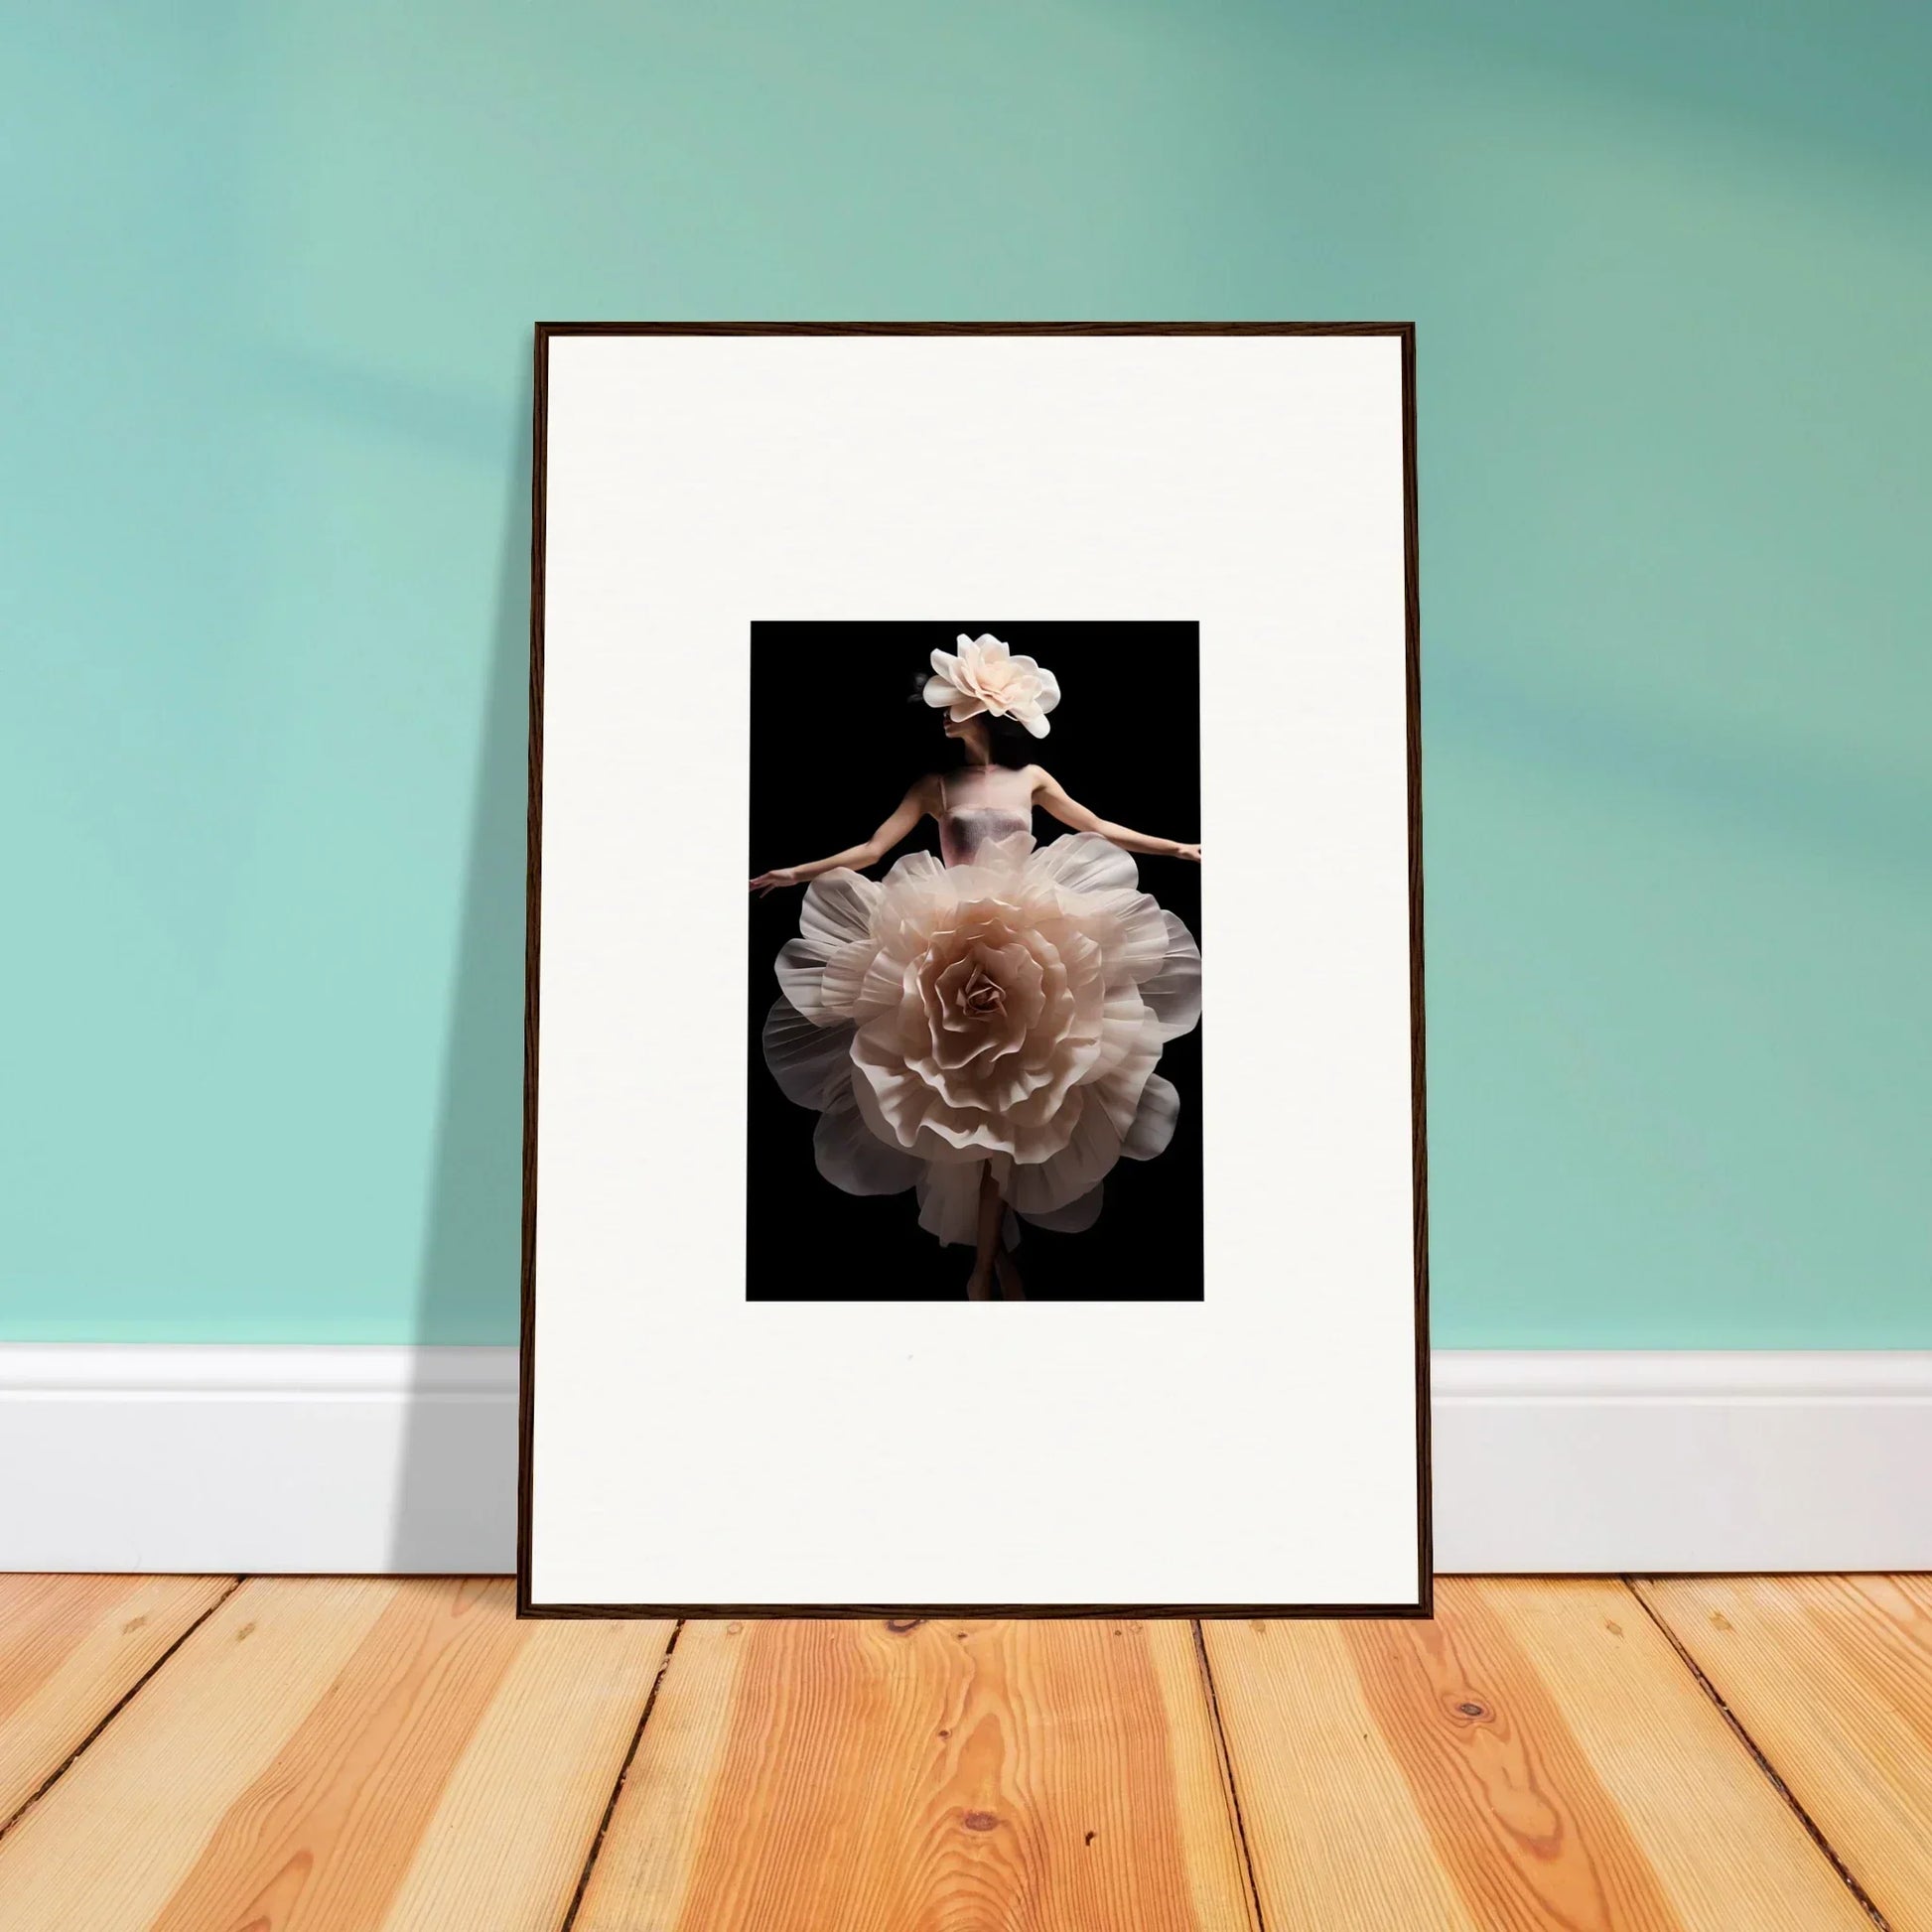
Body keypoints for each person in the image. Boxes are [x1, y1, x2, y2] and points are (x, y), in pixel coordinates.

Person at [752, 634, 1201, 1301]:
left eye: (953, 706)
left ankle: (985, 1268)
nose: (943, 716)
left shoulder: (1032, 778)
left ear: (985, 713)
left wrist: (1176, 846)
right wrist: (796, 872)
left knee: (1022, 1109)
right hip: (940, 932)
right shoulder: (934, 784)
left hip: (1037, 929)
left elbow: (1098, 824)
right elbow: (875, 846)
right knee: (974, 1115)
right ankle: (985, 1268)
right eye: (945, 706)